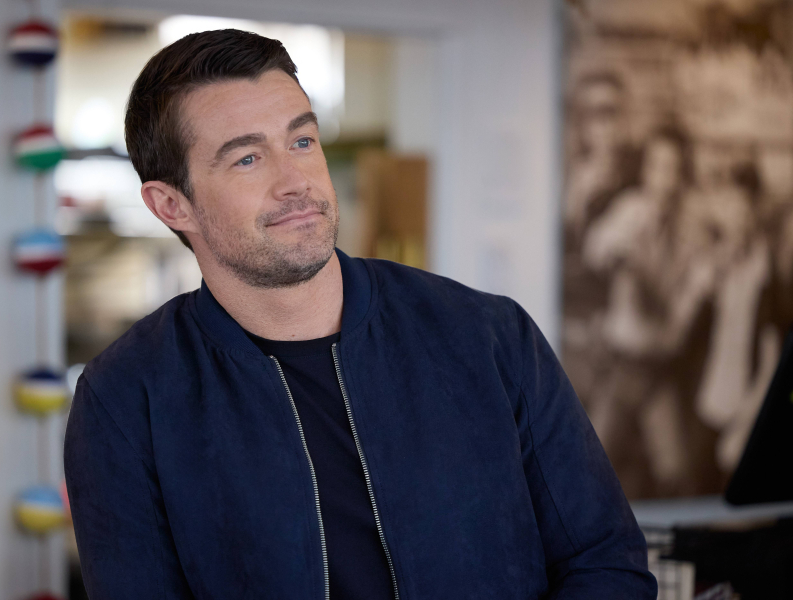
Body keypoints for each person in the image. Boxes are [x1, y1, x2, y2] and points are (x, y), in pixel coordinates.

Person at [64, 29, 656, 600]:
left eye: (302, 141)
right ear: (171, 205)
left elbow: (605, 563)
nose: (295, 181)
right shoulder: (127, 399)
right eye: (247, 158)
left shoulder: (490, 336)